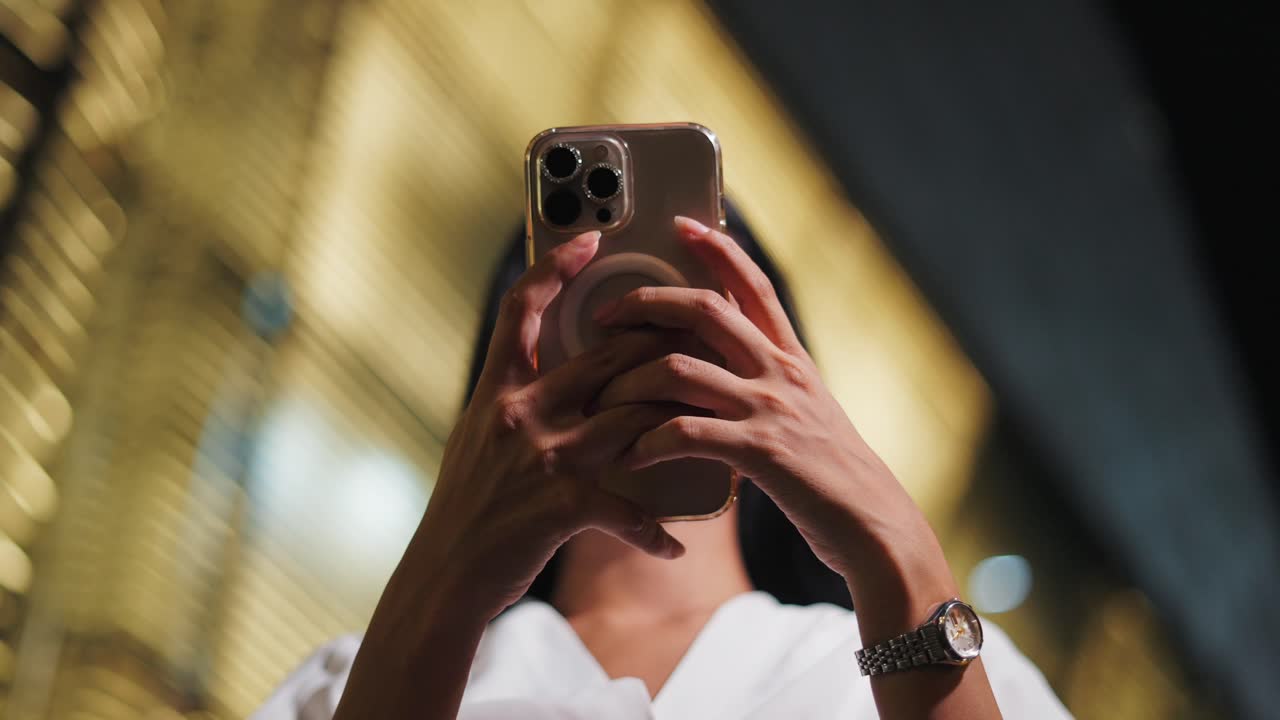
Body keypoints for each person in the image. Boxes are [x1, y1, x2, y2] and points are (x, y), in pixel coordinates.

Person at [253, 205, 1072, 719]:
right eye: (589, 303)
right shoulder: (353, 677)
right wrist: (445, 575)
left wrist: (898, 554)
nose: (642, 329)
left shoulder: (940, 656)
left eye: (691, 303)